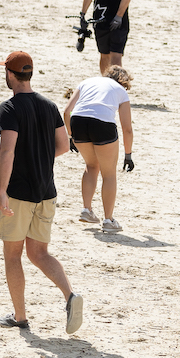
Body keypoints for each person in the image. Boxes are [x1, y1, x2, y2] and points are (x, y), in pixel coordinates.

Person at [0, 51, 84, 335]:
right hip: (46, 191)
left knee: (13, 255)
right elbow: (64, 146)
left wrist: (2, 191)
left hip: (19, 192)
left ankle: (20, 317)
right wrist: (40, 158)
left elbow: (7, 151)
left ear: (10, 74)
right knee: (40, 253)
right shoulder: (49, 105)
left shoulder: (10, 108)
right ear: (29, 73)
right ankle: (70, 295)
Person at [63, 66, 135, 233]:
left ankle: (86, 210)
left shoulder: (86, 82)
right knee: (109, 173)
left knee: (91, 165)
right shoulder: (120, 91)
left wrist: (71, 136)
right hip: (102, 124)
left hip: (78, 121)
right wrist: (128, 155)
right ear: (123, 82)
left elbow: (67, 111)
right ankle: (108, 220)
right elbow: (127, 128)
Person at [81, 0, 136, 75]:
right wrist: (119, 16)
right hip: (119, 22)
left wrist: (82, 14)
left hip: (100, 19)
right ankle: (117, 86)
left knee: (104, 55)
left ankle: (105, 83)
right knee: (116, 55)